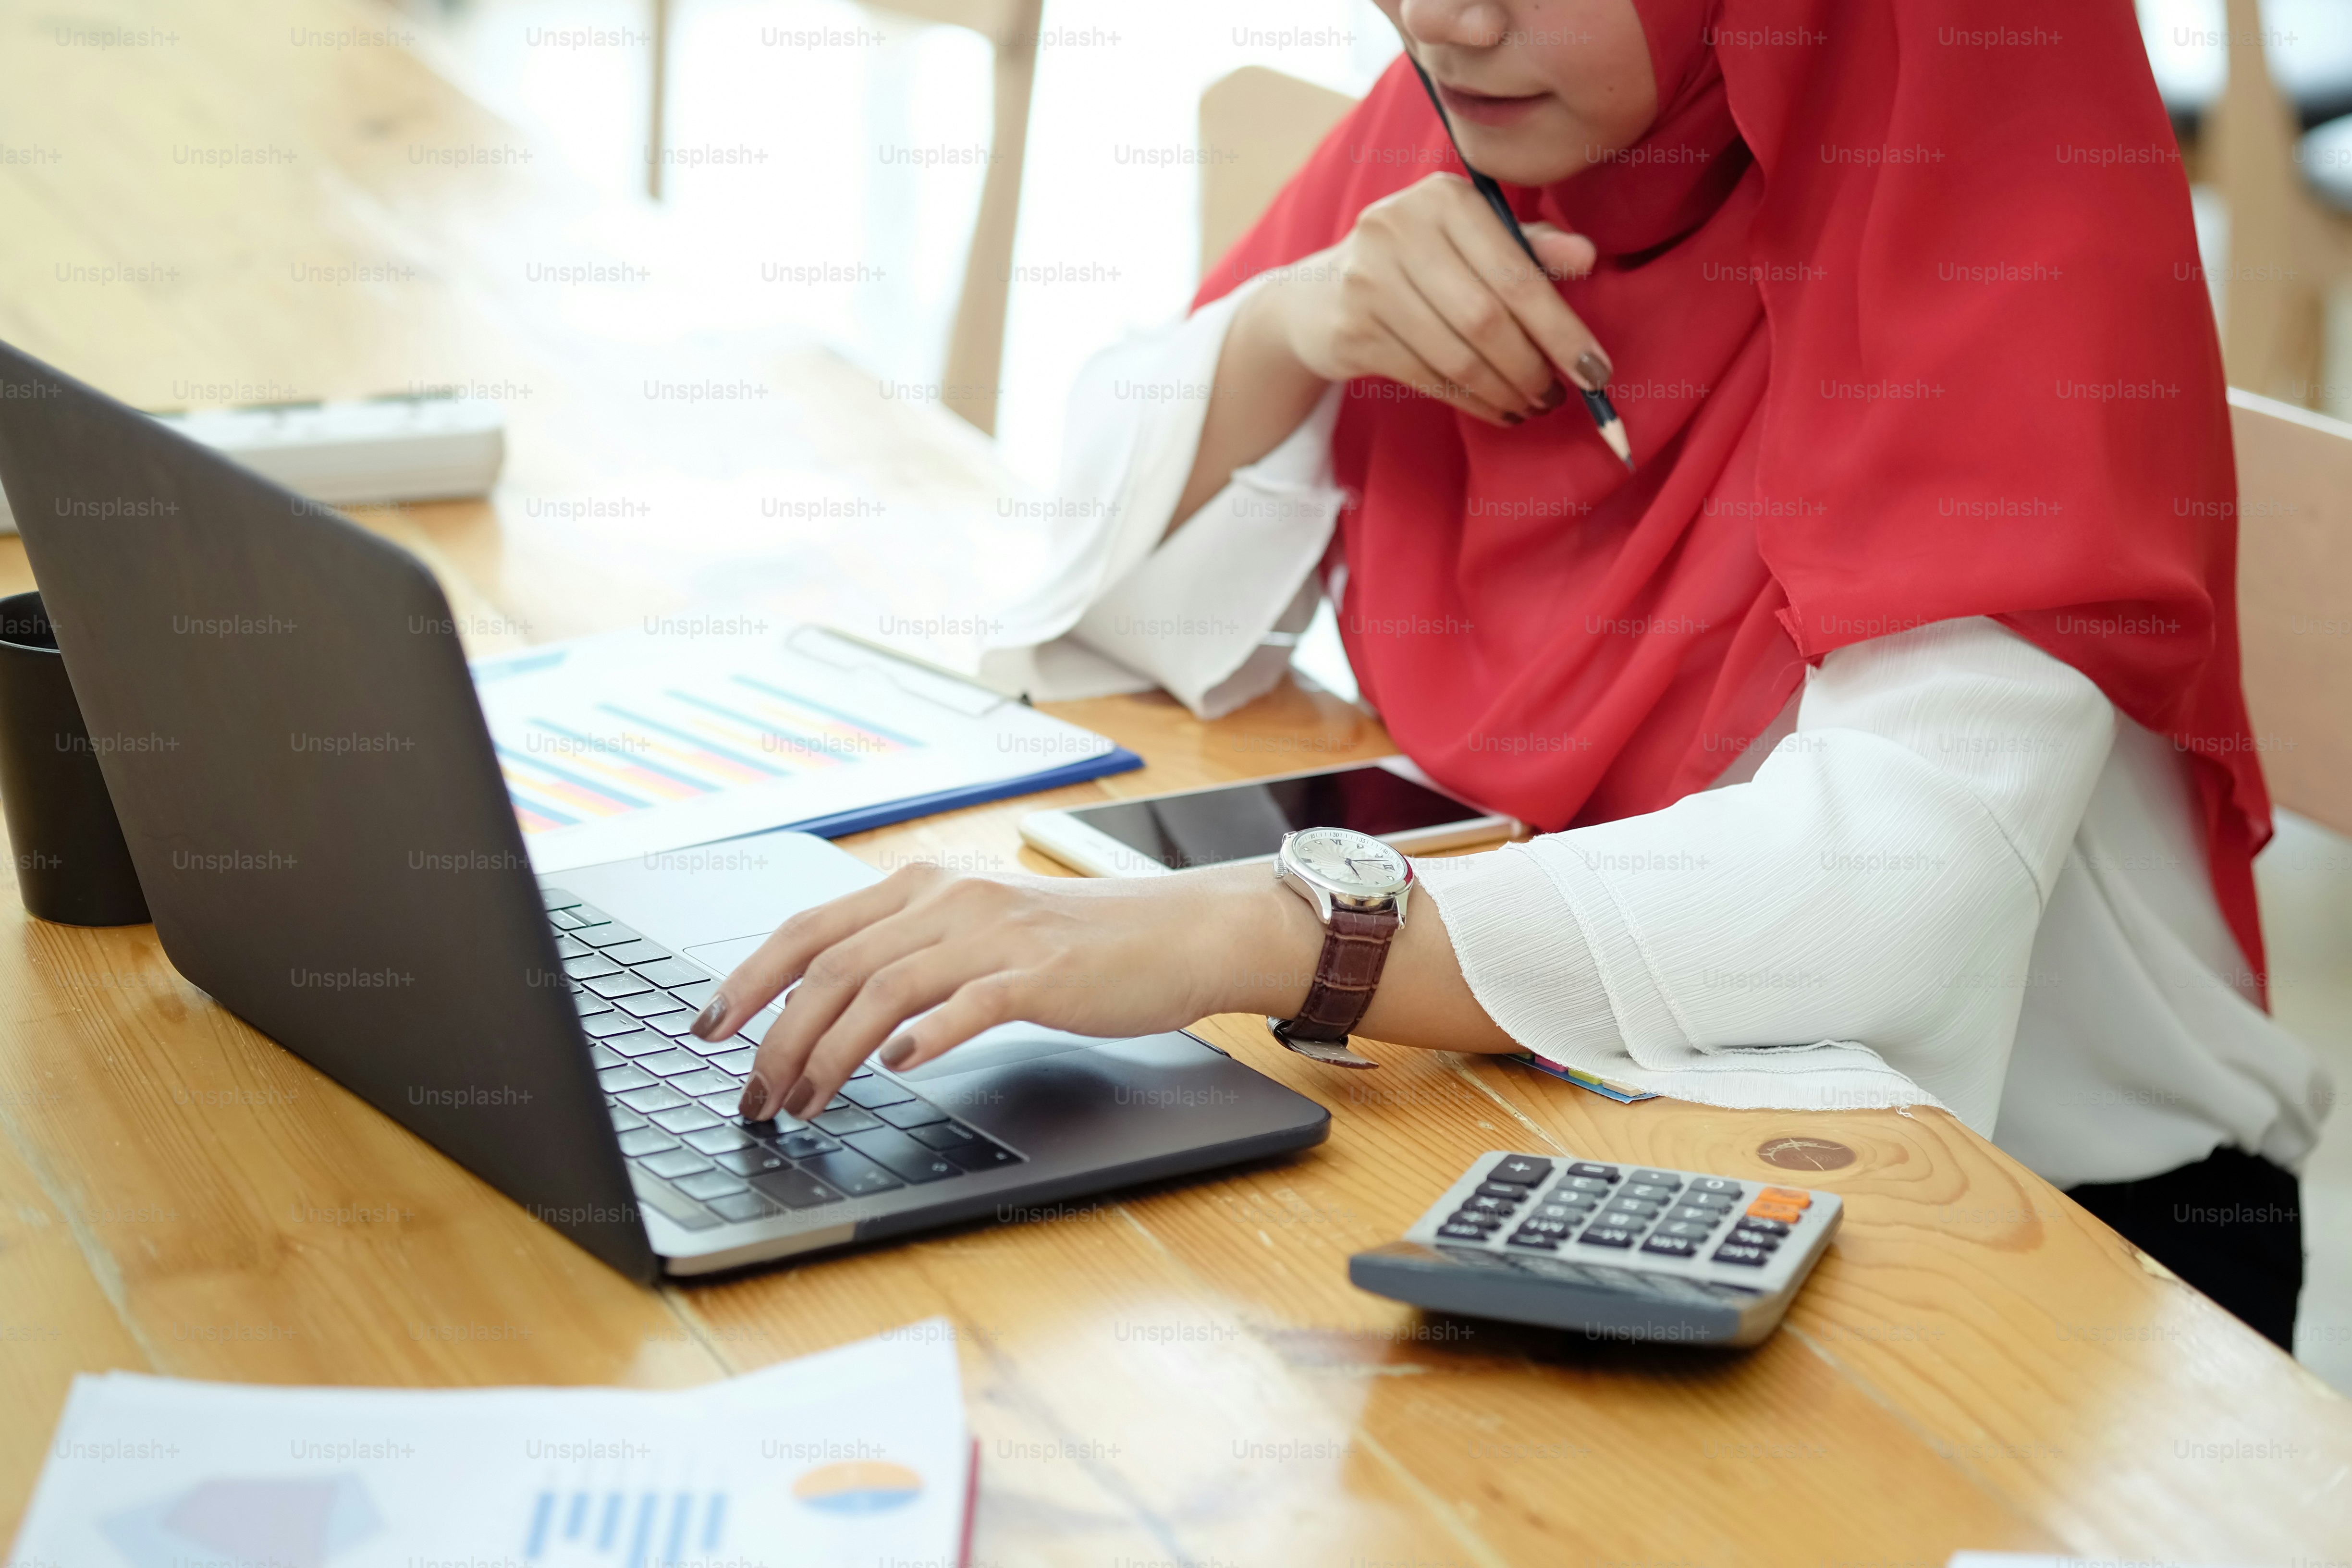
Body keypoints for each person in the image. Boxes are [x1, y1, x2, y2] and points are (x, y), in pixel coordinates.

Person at [691, 0, 2331, 1345]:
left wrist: (1249, 931)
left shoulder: (1991, 164)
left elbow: (1890, 890)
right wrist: (1294, 324)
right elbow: (1098, 623)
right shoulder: (1504, 126)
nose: (1444, 19)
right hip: (1585, 1120)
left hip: (2048, 1238)